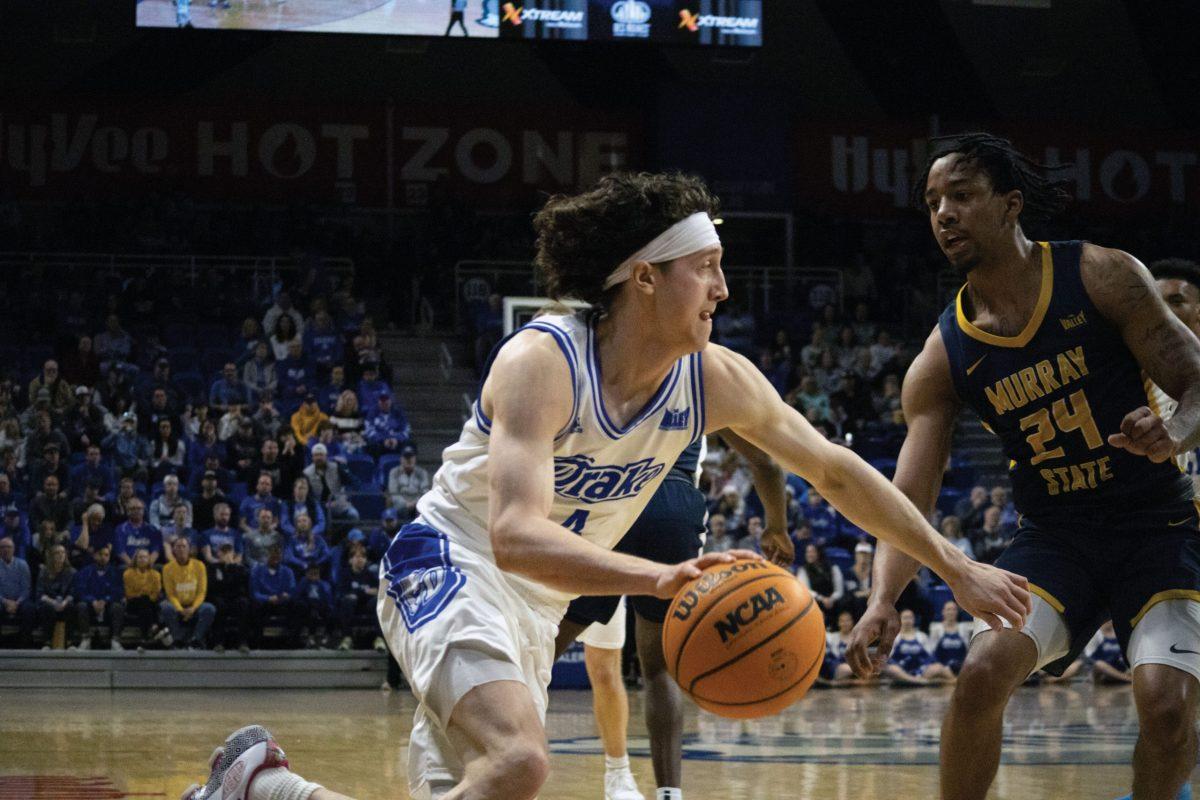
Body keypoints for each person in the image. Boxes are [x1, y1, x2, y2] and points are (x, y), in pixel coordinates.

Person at [183, 173, 1026, 800]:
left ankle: (263, 790)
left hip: (536, 607)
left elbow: (837, 472)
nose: (726, 289)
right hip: (451, 562)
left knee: (481, 784)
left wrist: (954, 566)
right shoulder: (542, 360)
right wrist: (655, 578)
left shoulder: (714, 378)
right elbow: (514, 533)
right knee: (519, 762)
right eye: (709, 267)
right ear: (646, 275)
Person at [845, 133, 1200, 800]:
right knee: (981, 673)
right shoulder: (943, 355)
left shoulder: (1101, 273)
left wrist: (1175, 431)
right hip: (1055, 538)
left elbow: (1196, 382)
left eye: (961, 196)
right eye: (931, 203)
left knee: (1166, 708)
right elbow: (909, 494)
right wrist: (882, 597)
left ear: (1010, 206)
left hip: (1159, 527)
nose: (943, 214)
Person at [160, 536, 216, 650]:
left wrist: (193, 608)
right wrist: (180, 609)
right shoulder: (167, 568)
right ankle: (178, 641)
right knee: (166, 607)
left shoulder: (199, 566)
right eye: (178, 546)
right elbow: (170, 594)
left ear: (189, 549)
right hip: (177, 605)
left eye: (184, 546)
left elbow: (201, 592)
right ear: (173, 550)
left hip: (194, 605)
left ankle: (196, 640)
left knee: (209, 608)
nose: (181, 549)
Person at [72, 544, 124, 651]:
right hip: (90, 607)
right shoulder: (85, 571)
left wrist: (105, 600)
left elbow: (118, 592)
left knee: (117, 607)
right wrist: (93, 601)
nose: (103, 557)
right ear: (94, 555)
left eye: (106, 555)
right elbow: (80, 591)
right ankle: (85, 639)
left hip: (107, 607)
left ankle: (115, 641)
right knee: (81, 606)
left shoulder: (115, 572)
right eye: (100, 554)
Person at [883, 608, 955, 685]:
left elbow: (930, 656)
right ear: (899, 620)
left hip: (921, 671)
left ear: (914, 620)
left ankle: (956, 684)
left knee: (939, 667)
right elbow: (889, 659)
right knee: (891, 669)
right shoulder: (894, 637)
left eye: (910, 618)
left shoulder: (922, 636)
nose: (907, 621)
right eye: (905, 618)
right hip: (901, 671)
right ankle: (914, 681)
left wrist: (923, 669)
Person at [208, 542, 251, 654]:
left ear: (233, 555)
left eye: (229, 553)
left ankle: (242, 642)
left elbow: (241, 587)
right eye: (223, 552)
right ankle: (219, 643)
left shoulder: (240, 569)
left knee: (243, 603)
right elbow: (214, 586)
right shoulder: (213, 568)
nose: (226, 555)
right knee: (219, 605)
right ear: (218, 554)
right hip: (220, 597)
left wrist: (231, 567)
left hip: (235, 597)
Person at [335, 544, 379, 651]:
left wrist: (358, 592)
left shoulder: (370, 575)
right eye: (357, 557)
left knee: (377, 601)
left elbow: (378, 591)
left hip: (367, 605)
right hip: (351, 606)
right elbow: (343, 592)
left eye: (363, 557)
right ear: (350, 560)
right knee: (349, 600)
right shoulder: (345, 574)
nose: (360, 559)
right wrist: (365, 591)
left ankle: (379, 639)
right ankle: (347, 638)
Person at [122, 547, 164, 645]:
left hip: (150, 603)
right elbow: (129, 594)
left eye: (145, 557)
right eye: (140, 557)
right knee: (145, 600)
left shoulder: (156, 574)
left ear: (149, 559)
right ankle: (155, 626)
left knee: (146, 602)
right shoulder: (128, 574)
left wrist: (143, 595)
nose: (142, 559)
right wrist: (144, 594)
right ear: (135, 559)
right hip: (133, 603)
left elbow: (156, 593)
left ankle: (144, 636)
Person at [0, 536, 34, 646]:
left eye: (9, 547)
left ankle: (24, 642)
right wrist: (5, 602)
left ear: (14, 549)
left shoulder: (22, 565)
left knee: (29, 608)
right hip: (2, 601)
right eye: (3, 547)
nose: (6, 549)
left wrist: (17, 603)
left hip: (19, 601)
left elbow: (26, 588)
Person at [114, 499, 164, 567]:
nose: (136, 511)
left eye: (139, 508)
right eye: (132, 509)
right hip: (128, 566)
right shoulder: (120, 529)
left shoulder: (153, 529)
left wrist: (148, 564)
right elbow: (121, 552)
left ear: (143, 511)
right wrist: (132, 565)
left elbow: (156, 550)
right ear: (128, 511)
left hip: (148, 565)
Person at [386, 445, 429, 523]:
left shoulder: (422, 473)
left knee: (424, 510)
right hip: (400, 506)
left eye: (411, 457)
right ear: (401, 459)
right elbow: (393, 493)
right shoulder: (394, 472)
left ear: (415, 458)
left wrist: (416, 502)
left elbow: (425, 491)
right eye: (406, 457)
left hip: (418, 505)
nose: (408, 460)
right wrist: (405, 504)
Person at [928, 600, 972, 675]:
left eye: (954, 609)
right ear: (943, 612)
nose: (951, 612)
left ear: (957, 612)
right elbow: (932, 651)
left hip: (960, 668)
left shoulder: (964, 628)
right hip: (941, 669)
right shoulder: (936, 629)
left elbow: (968, 651)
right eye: (948, 609)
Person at [1088, 620, 1133, 684]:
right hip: (1103, 669)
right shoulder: (1096, 635)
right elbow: (1091, 659)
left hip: (1120, 667)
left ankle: (1122, 677)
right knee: (1100, 664)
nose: (1108, 622)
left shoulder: (1120, 632)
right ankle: (1128, 679)